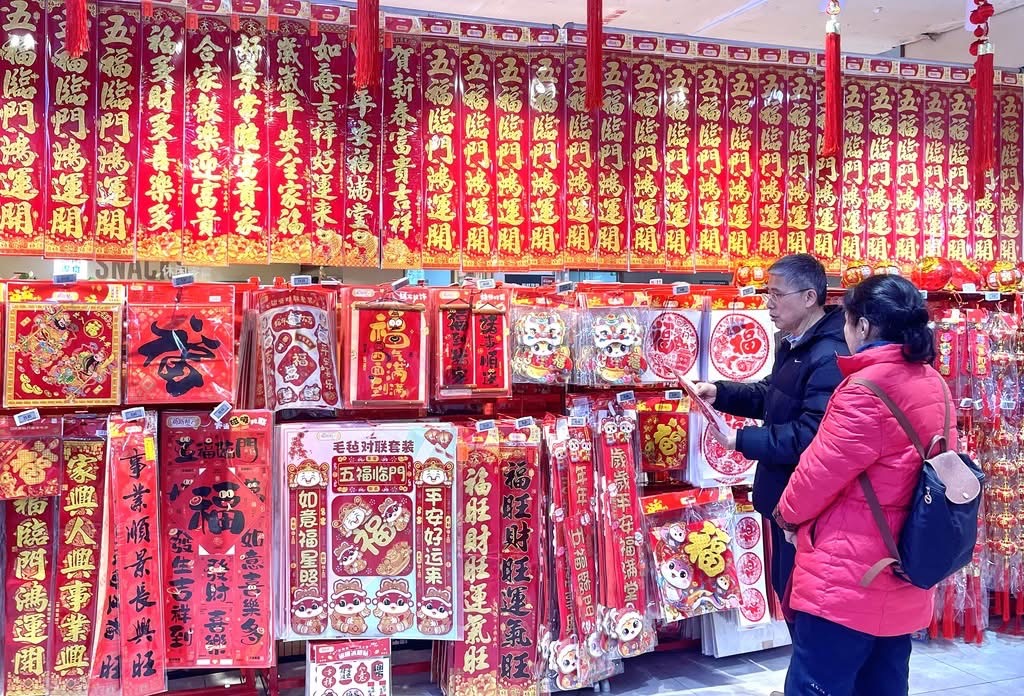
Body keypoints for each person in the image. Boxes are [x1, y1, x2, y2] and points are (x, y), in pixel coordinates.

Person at [774, 274, 951, 696]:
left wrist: (785, 516)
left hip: (847, 577)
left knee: (819, 683)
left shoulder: (866, 390)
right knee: (885, 682)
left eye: (848, 321)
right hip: (905, 562)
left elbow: (817, 475)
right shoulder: (933, 382)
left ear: (864, 326)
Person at [695, 253, 847, 617]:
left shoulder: (829, 355)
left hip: (807, 504)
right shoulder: (796, 344)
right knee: (789, 591)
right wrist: (720, 393)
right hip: (785, 500)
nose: (769, 303)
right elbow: (772, 395)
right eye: (768, 293)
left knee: (802, 600)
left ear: (809, 297)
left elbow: (812, 435)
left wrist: (742, 441)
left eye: (777, 294)